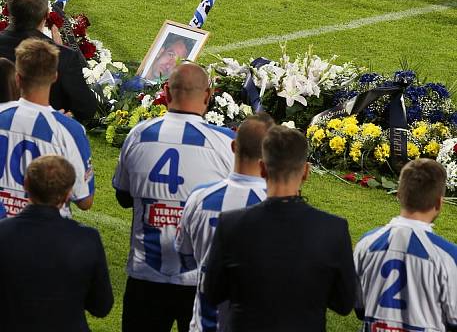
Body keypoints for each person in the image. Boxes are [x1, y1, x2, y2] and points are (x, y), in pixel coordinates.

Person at [113, 61, 235, 332]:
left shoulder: (138, 135)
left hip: (145, 275)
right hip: (200, 280)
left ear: (166, 92)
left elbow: (123, 196)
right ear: (208, 96)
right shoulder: (227, 143)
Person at [204, 125, 355, 332]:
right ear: (306, 172)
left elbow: (212, 293)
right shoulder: (333, 229)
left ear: (262, 168)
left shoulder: (231, 224)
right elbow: (344, 303)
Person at [176, 113, 274, 332]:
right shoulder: (280, 208)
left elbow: (185, 259)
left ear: (233, 146)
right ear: (272, 155)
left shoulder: (200, 197)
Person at [0, 155, 113, 331]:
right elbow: (101, 306)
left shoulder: (3, 233)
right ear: (69, 193)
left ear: (26, 185)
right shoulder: (87, 239)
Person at [354, 158, 457, 332]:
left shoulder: (366, 243)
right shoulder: (448, 256)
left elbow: (359, 307)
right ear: (439, 203)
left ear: (399, 194)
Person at [0, 37, 94, 217]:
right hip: (46, 237)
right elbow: (84, 200)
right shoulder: (70, 130)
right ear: (55, 77)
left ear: (18, 78)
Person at [0, 0, 98, 121]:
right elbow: (86, 109)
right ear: (47, 14)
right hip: (44, 133)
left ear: (8, 10)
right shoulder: (63, 56)